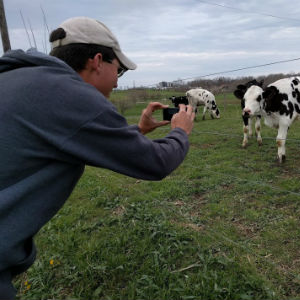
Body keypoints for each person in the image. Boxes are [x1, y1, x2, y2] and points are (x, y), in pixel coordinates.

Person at [0, 16, 195, 299]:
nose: (116, 82)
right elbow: (156, 163)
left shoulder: (20, 80)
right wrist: (181, 131)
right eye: (119, 71)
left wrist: (138, 130)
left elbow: (71, 137)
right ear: (97, 61)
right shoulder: (69, 94)